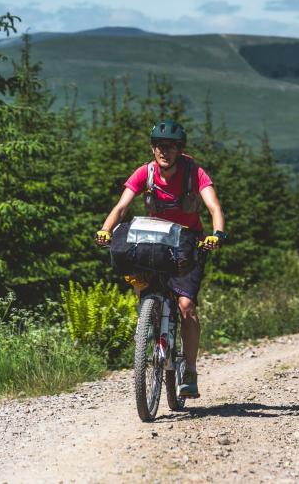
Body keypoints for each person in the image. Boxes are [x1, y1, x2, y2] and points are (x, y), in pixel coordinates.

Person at [94, 120, 225, 399]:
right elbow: (121, 206)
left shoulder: (195, 173)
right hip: (155, 240)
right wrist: (105, 230)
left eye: (170, 147)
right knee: (140, 278)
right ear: (153, 148)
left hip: (188, 242)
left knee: (186, 305)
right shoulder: (146, 173)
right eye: (159, 146)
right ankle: (147, 328)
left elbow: (214, 206)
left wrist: (217, 234)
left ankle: (189, 369)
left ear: (179, 149)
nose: (164, 151)